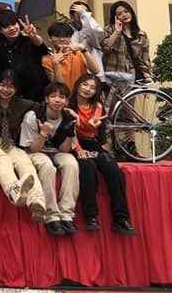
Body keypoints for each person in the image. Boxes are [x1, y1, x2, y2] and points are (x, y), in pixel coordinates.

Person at [70, 73, 137, 236]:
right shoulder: (68, 106)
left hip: (92, 143)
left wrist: (94, 125)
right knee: (88, 167)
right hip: (72, 143)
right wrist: (78, 150)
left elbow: (92, 131)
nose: (88, 89)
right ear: (78, 85)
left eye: (93, 88)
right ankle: (91, 216)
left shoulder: (97, 106)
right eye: (85, 85)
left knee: (114, 171)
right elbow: (70, 132)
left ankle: (121, 219)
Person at [0, 70, 47, 223]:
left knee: (25, 162)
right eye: (2, 85)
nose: (6, 90)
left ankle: (36, 202)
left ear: (16, 89)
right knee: (2, 160)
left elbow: (44, 107)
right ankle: (13, 191)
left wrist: (67, 111)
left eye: (10, 87)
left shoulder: (22, 104)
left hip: (10, 143)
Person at [19, 82, 80, 236]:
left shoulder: (68, 118)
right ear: (46, 99)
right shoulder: (33, 116)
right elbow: (33, 149)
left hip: (56, 151)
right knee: (47, 166)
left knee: (71, 163)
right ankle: (51, 215)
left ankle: (66, 214)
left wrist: (70, 133)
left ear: (66, 101)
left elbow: (64, 150)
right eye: (53, 96)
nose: (57, 100)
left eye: (62, 97)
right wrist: (44, 133)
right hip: (36, 151)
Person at [0, 10, 49, 101]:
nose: (12, 28)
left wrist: (33, 36)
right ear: (0, 30)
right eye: (6, 26)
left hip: (37, 90)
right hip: (13, 94)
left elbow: (43, 49)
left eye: (14, 24)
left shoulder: (27, 37)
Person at [42, 21, 101, 94]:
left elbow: (96, 70)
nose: (62, 39)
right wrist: (56, 64)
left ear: (70, 38)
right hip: (64, 97)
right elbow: (59, 86)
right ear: (50, 38)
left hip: (81, 96)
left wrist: (83, 49)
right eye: (57, 36)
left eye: (65, 36)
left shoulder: (78, 53)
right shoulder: (47, 61)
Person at [102, 1, 152, 83]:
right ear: (115, 17)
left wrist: (147, 74)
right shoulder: (109, 29)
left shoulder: (141, 34)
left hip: (137, 75)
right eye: (119, 14)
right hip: (116, 76)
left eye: (126, 11)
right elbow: (105, 48)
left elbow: (144, 57)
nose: (124, 15)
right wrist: (116, 32)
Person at [69, 1, 106, 80]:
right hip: (75, 73)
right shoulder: (69, 32)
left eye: (84, 11)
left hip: (95, 75)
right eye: (78, 11)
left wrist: (84, 14)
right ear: (72, 16)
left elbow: (92, 32)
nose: (81, 13)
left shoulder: (94, 30)